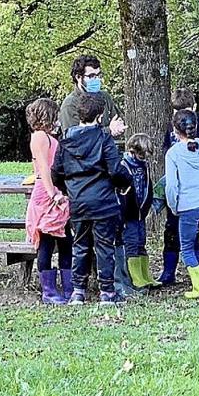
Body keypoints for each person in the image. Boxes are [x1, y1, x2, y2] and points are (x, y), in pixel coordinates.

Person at [51, 92, 132, 305]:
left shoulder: (66, 139)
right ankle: (107, 291)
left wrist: (68, 190)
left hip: (78, 202)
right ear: (100, 115)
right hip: (103, 202)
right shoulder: (103, 137)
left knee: (80, 245)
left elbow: (56, 172)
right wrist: (125, 183)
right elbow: (115, 169)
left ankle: (78, 291)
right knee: (104, 246)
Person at [164, 110, 199, 299]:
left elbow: (171, 185)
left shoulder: (173, 153)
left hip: (188, 205)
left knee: (187, 247)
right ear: (195, 127)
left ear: (175, 129)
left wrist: (173, 205)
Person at [158, 88, 199, 285]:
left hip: (186, 192)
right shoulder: (174, 130)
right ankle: (172, 272)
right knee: (180, 231)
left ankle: (188, 273)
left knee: (184, 231)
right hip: (197, 192)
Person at [25, 98, 73, 304]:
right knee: (46, 242)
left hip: (57, 190)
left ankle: (69, 287)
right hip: (47, 195)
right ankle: (49, 291)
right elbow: (44, 168)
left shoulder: (49, 137)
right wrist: (53, 193)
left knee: (65, 241)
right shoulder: (39, 137)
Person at [115, 133, 160, 291]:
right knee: (132, 244)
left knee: (142, 243)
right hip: (128, 215)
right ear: (133, 151)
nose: (144, 158)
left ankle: (146, 275)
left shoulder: (144, 166)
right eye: (141, 154)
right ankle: (135, 278)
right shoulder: (123, 165)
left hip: (141, 212)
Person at [59, 54, 125, 137]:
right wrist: (108, 130)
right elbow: (74, 138)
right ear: (78, 77)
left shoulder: (105, 96)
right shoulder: (70, 104)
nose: (96, 79)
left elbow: (118, 120)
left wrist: (119, 127)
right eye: (91, 76)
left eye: (98, 75)